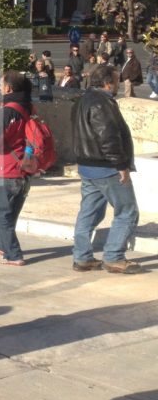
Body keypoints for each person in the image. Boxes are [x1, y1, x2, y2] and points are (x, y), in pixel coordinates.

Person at [70, 64, 142, 274]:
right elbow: (108, 136)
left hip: (87, 166)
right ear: (107, 83)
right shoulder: (102, 103)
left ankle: (82, 258)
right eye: (116, 81)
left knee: (88, 213)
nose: (118, 85)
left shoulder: (82, 100)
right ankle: (113, 257)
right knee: (127, 211)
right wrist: (120, 165)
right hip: (106, 167)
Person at [0, 71, 35, 267]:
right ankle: (0, 242)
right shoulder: (28, 107)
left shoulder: (6, 110)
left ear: (8, 88)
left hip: (6, 169)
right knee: (10, 213)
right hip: (24, 168)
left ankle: (13, 254)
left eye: (1, 85)